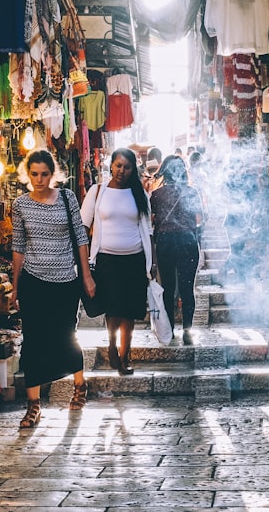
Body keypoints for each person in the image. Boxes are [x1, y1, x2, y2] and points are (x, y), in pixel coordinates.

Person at [11, 150, 95, 428]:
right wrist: (14, 286)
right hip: (33, 282)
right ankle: (33, 407)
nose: (39, 179)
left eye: (44, 174)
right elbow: (18, 246)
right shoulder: (20, 204)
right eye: (34, 174)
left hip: (64, 282)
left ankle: (80, 385)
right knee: (32, 342)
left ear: (53, 173)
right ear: (27, 174)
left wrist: (86, 276)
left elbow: (81, 237)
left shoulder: (68, 198)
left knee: (65, 336)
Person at [81, 148, 154, 375]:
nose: (122, 171)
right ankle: (112, 346)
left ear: (133, 169)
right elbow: (83, 227)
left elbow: (149, 231)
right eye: (118, 165)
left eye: (127, 167)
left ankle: (125, 357)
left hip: (134, 260)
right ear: (111, 165)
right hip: (106, 260)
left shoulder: (140, 194)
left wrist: (153, 264)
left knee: (130, 312)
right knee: (112, 310)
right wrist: (84, 267)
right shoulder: (97, 191)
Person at [150, 155, 204, 345]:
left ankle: (169, 329)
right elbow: (200, 220)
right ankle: (188, 331)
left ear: (164, 171)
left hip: (165, 242)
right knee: (187, 288)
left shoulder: (156, 195)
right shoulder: (192, 192)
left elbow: (153, 220)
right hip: (188, 241)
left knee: (168, 288)